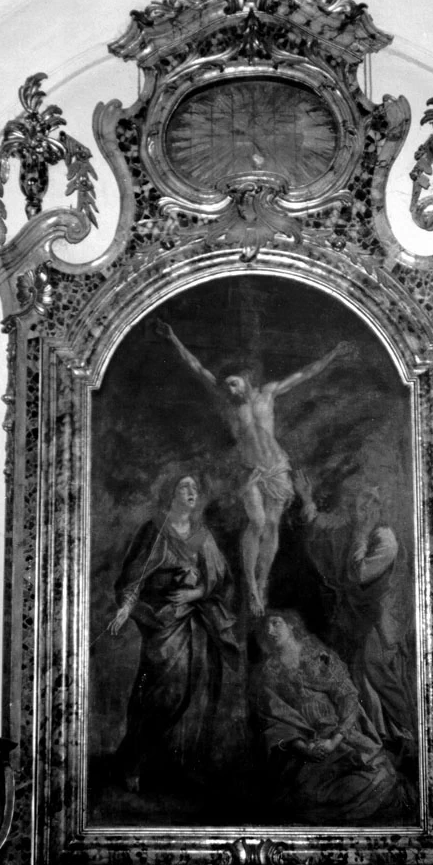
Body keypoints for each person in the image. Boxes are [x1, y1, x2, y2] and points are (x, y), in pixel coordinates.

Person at [154, 318, 354, 616]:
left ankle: (262, 582)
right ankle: (249, 584)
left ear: (246, 379)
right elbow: (196, 367)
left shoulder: (268, 393)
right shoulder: (228, 401)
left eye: (234, 382)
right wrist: (173, 339)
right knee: (257, 523)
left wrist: (334, 355)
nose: (230, 388)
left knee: (272, 525)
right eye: (227, 385)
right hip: (252, 471)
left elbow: (305, 374)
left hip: (277, 468)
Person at [108, 473, 242, 797]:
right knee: (158, 693)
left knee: (196, 688)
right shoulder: (155, 530)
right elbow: (134, 575)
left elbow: (221, 578)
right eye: (185, 486)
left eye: (196, 487)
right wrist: (126, 608)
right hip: (163, 620)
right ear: (171, 492)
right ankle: (134, 761)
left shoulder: (201, 535)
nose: (192, 491)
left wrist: (195, 594)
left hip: (196, 619)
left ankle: (181, 763)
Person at [294, 472, 416, 747]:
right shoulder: (352, 527)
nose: (367, 504)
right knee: (356, 672)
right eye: (364, 496)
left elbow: (359, 575)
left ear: (381, 506)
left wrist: (360, 535)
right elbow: (322, 532)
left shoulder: (385, 540)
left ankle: (404, 728)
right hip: (356, 615)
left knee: (374, 669)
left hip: (381, 620)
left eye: (374, 499)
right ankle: (376, 732)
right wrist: (306, 499)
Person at [253, 609, 406, 823]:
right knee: (306, 796)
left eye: (275, 623)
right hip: (304, 744)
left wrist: (334, 740)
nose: (269, 631)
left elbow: (348, 696)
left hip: (338, 736)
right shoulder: (270, 671)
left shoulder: (320, 656)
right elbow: (275, 716)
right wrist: (303, 748)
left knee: (377, 778)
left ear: (291, 625)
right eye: (265, 627)